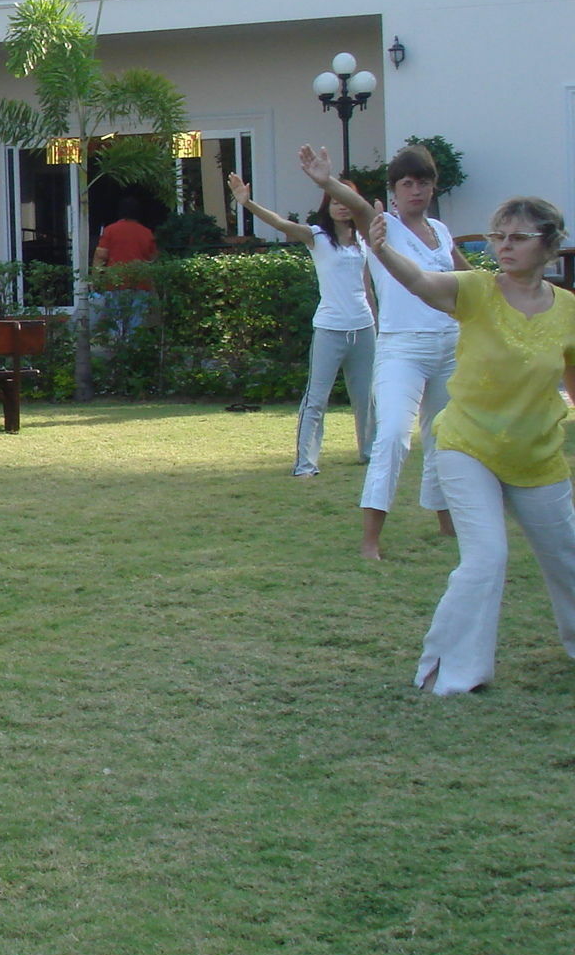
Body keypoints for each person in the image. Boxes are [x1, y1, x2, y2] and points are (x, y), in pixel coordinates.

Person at [318, 174, 575, 694]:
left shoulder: (569, 310)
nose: (503, 245)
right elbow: (417, 281)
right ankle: (454, 669)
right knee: (486, 558)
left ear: (549, 244)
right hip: (468, 445)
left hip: (538, 456)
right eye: (498, 235)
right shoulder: (477, 290)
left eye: (517, 237)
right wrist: (380, 245)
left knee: (567, 555)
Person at [299, 143, 469, 558]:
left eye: (423, 182)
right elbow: (356, 205)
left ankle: (446, 522)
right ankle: (370, 539)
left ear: (433, 188)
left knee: (442, 437)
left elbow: (470, 279)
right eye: (407, 183)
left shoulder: (442, 233)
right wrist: (327, 182)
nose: (416, 190)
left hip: (448, 346)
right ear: (394, 190)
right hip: (401, 348)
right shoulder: (382, 226)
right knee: (392, 434)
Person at [229, 171, 375, 477]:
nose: (341, 206)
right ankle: (306, 464)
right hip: (330, 329)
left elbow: (368, 287)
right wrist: (247, 203)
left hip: (363, 328)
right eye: (334, 201)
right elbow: (281, 224)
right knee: (316, 399)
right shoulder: (317, 237)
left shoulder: (364, 239)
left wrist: (378, 324)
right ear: (327, 205)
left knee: (366, 398)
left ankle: (369, 454)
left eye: (346, 200)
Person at [91, 197, 162, 332]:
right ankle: (132, 351)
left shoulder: (110, 230)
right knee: (136, 325)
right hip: (141, 284)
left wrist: (95, 279)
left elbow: (101, 256)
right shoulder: (147, 233)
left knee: (116, 324)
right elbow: (153, 258)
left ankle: (117, 349)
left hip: (115, 283)